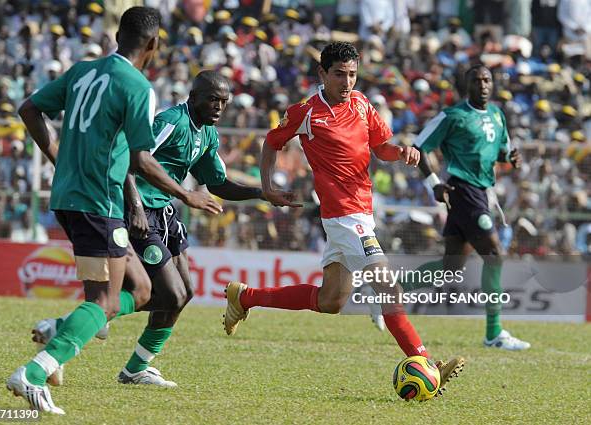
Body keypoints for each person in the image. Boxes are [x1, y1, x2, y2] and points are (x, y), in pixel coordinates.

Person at [10, 7, 220, 414]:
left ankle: (58, 342)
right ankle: (34, 374)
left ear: (118, 34)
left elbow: (29, 109)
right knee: (107, 301)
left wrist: (57, 155)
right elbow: (142, 159)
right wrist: (187, 194)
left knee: (141, 290)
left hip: (69, 196)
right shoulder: (138, 86)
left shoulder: (82, 71)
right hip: (100, 202)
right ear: (154, 45)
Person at [223, 42, 464, 395]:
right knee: (388, 287)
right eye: (339, 74)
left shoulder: (363, 105)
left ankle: (245, 298)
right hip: (343, 216)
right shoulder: (306, 112)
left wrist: (403, 153)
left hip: (361, 212)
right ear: (322, 74)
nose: (347, 81)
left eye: (352, 74)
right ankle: (426, 361)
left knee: (331, 301)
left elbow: (382, 148)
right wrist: (268, 187)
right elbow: (272, 143)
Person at [28, 70, 283, 387]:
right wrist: (134, 204)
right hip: (142, 213)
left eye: (224, 101)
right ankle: (69, 325)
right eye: (212, 99)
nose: (218, 107)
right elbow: (131, 159)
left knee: (184, 294)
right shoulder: (171, 122)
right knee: (169, 293)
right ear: (194, 96)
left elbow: (218, 183)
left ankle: (136, 367)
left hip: (166, 214)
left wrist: (261, 193)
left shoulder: (207, 134)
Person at [408, 64, 530, 351]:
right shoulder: (453, 116)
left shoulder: (498, 116)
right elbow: (418, 147)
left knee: (449, 268)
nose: (484, 85)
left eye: (487, 80)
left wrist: (511, 157)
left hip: (481, 192)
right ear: (467, 85)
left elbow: (501, 151)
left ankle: (388, 292)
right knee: (494, 255)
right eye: (477, 81)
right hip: (462, 191)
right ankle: (494, 333)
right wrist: (434, 183)